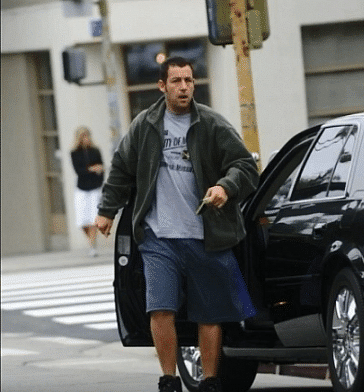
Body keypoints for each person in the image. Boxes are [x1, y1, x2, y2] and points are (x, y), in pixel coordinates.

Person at [95, 56, 259, 392]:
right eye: (176, 81)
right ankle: (169, 379)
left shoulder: (212, 124)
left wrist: (224, 187)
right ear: (162, 86)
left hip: (205, 235)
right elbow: (122, 169)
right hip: (159, 237)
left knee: (209, 314)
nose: (183, 87)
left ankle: (211, 380)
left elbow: (244, 166)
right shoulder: (146, 125)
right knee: (160, 308)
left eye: (188, 81)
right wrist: (106, 211)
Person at [71, 126, 104, 257]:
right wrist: (92, 169)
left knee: (93, 218)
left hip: (95, 187)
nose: (86, 139)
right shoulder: (75, 153)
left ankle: (92, 245)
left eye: (87, 136)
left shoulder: (95, 151)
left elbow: (101, 167)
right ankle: (90, 240)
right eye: (83, 137)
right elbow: (79, 171)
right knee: (82, 220)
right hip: (82, 188)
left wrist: (97, 171)